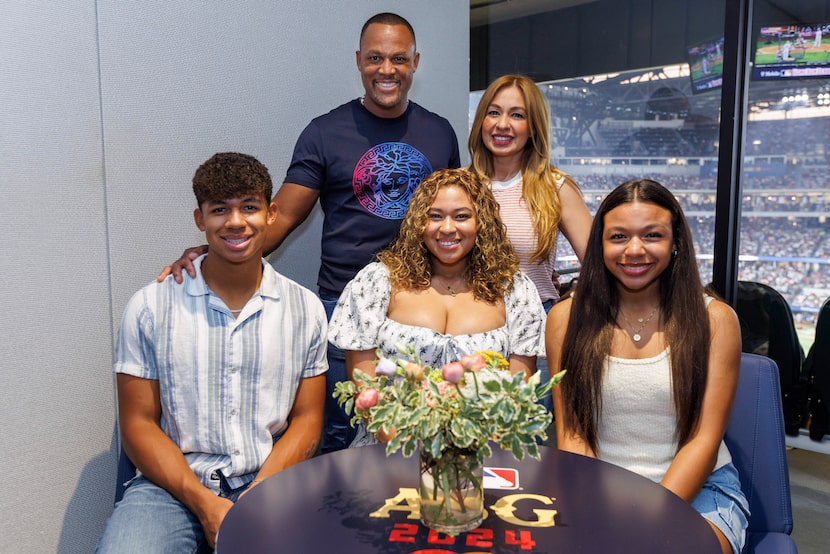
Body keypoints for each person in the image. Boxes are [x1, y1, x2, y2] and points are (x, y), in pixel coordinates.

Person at [157, 13, 460, 453]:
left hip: (423, 307)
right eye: (375, 58)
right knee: (339, 437)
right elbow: (280, 217)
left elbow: (455, 218)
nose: (387, 69)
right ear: (359, 61)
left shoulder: (439, 132)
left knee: (424, 434)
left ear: (415, 62)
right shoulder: (324, 132)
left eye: (398, 58)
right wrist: (215, 252)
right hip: (344, 307)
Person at [97, 153, 328, 553]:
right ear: (199, 220)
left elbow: (307, 421)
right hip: (170, 485)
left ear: (271, 213)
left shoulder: (305, 308)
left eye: (250, 207)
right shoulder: (151, 306)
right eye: (220, 209)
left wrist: (256, 496)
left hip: (270, 479)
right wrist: (204, 503)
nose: (236, 222)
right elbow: (138, 425)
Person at [545, 179, 749, 554]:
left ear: (675, 244)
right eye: (619, 237)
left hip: (700, 492)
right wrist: (596, 511)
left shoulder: (716, 321)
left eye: (652, 235)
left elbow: (703, 441)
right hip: (596, 489)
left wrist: (642, 522)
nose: (634, 250)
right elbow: (572, 434)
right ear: (600, 245)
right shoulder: (564, 319)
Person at [329, 168, 546, 446]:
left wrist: (466, 459)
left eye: (461, 216)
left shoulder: (515, 289)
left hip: (483, 452)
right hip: (388, 449)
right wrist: (406, 451)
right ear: (419, 221)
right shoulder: (377, 282)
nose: (447, 228)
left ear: (482, 222)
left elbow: (517, 393)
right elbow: (365, 386)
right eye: (435, 215)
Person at [468, 74, 592, 410]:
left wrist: (567, 308)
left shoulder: (555, 187)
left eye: (517, 115)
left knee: (522, 448)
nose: (502, 124)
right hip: (470, 334)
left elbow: (601, 263)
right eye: (493, 113)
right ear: (481, 121)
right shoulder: (461, 187)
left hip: (534, 338)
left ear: (533, 127)